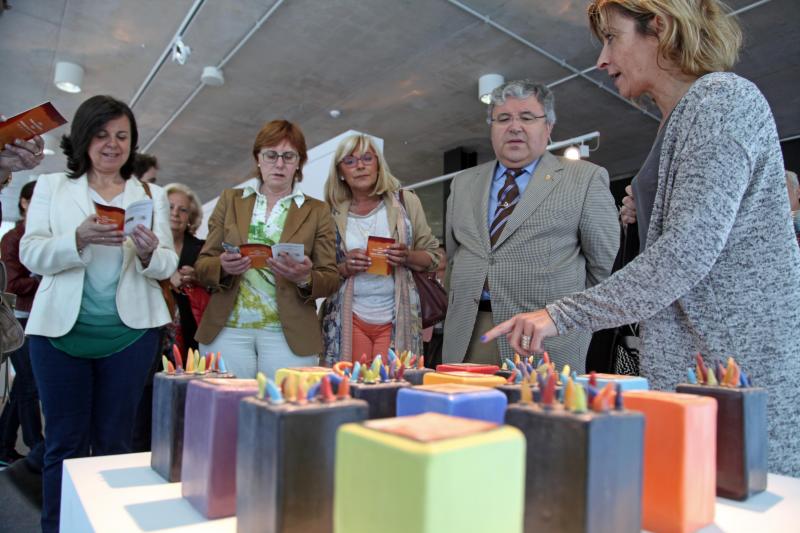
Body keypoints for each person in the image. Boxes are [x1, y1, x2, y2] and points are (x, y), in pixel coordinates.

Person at [483, 0, 800, 477]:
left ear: (661, 27)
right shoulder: (680, 120)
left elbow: (685, 254)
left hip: (734, 372)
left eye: (611, 38)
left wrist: (559, 313)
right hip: (698, 367)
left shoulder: (721, 100)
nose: (601, 59)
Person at [20, 95, 178, 531]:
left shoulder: (150, 194)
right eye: (102, 134)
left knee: (114, 443)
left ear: (132, 143)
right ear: (84, 139)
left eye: (122, 136)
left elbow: (166, 264)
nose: (112, 144)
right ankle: (56, 526)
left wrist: (150, 254)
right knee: (63, 445)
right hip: (59, 336)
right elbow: (31, 253)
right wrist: (78, 238)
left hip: (128, 337)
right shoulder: (53, 188)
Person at [442, 79, 618, 372]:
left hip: (545, 340)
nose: (514, 127)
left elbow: (602, 268)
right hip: (469, 332)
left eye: (526, 117)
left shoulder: (585, 179)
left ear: (547, 127)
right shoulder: (462, 183)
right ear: (492, 128)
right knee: (466, 416)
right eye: (503, 119)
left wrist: (564, 318)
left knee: (537, 416)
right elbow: (454, 257)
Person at [194, 120, 339, 379]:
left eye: (288, 156)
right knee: (227, 410)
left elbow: (330, 277)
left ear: (299, 163)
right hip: (227, 329)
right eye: (271, 155)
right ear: (258, 159)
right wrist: (222, 267)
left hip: (288, 332)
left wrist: (305, 277)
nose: (279, 164)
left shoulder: (317, 210)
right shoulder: (230, 200)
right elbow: (203, 265)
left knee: (284, 412)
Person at [320, 134, 440, 364]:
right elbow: (320, 272)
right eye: (350, 161)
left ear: (378, 164)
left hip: (398, 316)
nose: (361, 166)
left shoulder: (406, 202)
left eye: (367, 158)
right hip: (349, 316)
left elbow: (434, 256)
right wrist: (345, 267)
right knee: (354, 386)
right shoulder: (329, 213)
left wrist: (407, 256)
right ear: (340, 172)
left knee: (392, 386)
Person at [0, 181, 43, 466]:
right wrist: (43, 280)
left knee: (23, 386)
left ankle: (3, 447)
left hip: (38, 319)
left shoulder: (42, 235)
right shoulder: (14, 238)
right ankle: (35, 445)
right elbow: (12, 284)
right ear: (25, 203)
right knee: (29, 382)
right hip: (20, 319)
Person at [165, 182, 206, 352]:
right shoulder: (144, 245)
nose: (175, 213)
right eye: (170, 207)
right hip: (150, 331)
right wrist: (167, 279)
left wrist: (200, 277)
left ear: (191, 217)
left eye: (183, 210)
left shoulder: (204, 249)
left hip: (192, 332)